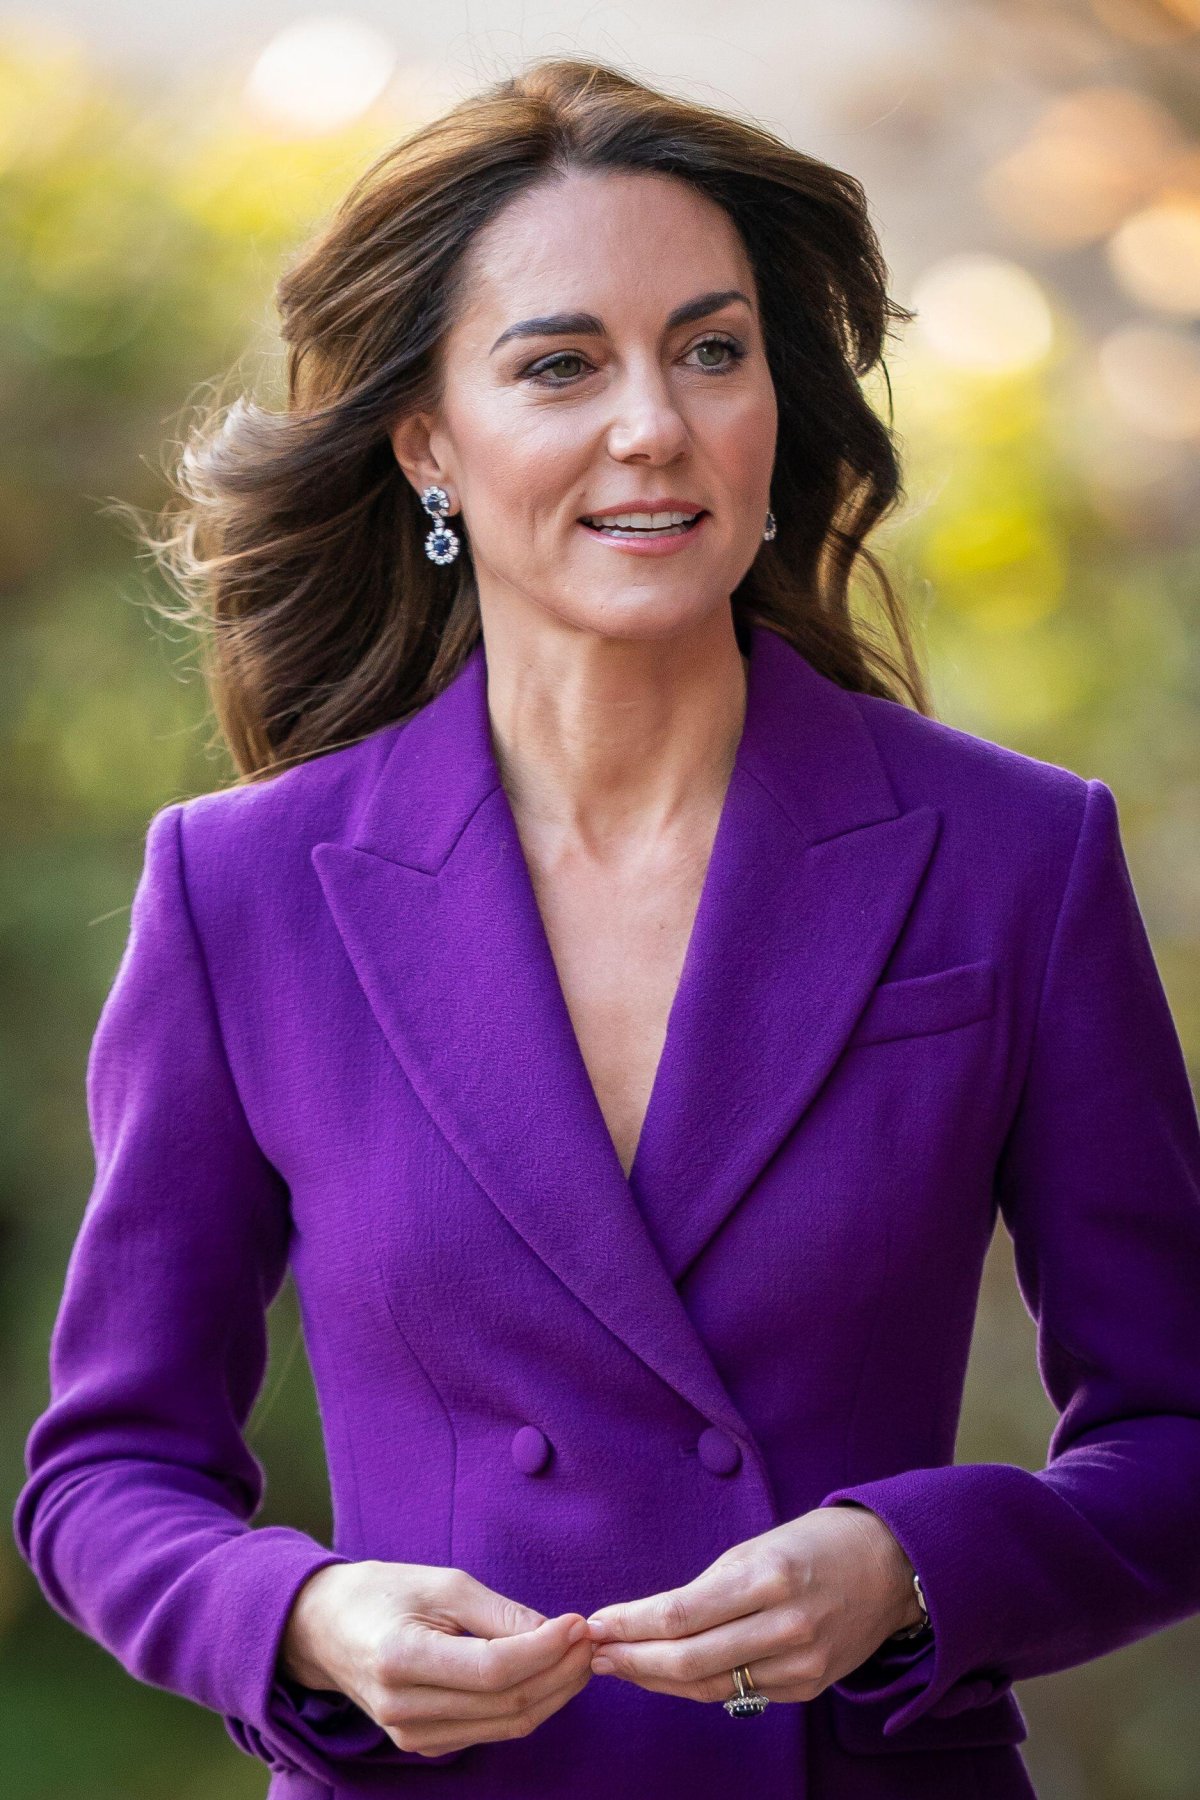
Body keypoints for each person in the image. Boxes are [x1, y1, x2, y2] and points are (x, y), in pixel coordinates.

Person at [13, 54, 1200, 1800]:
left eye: (711, 352)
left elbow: (1181, 1433)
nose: (656, 423)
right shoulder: (245, 890)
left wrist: (914, 1565)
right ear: (429, 436)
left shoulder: (1011, 853)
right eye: (561, 364)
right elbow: (104, 1476)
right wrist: (312, 1619)